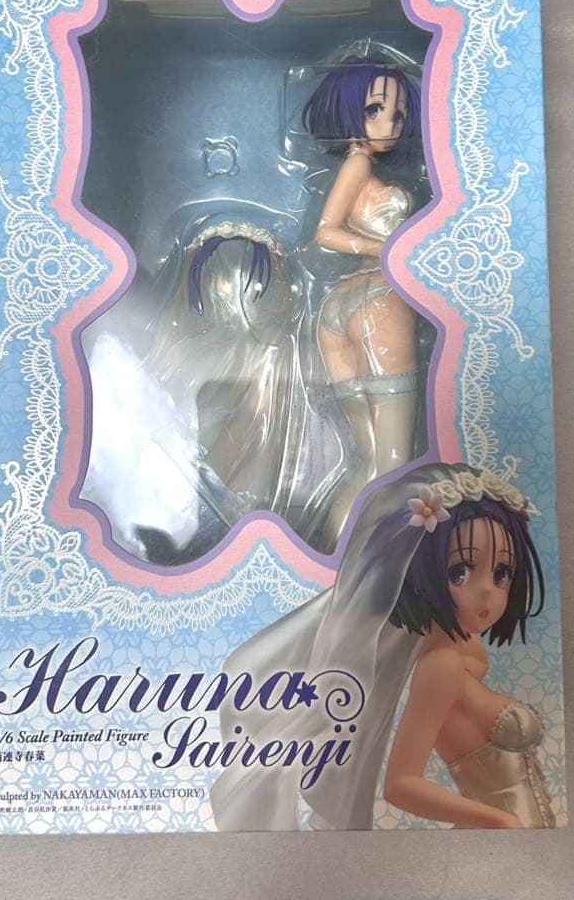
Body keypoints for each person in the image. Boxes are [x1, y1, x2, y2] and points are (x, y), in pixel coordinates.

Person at [210, 462, 555, 831]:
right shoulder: (442, 667)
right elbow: (401, 786)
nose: (487, 591)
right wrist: (500, 820)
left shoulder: (466, 652)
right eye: (460, 572)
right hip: (503, 834)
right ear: (417, 572)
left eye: (501, 573)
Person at [302, 49, 426, 549]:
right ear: (347, 107)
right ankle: (374, 566)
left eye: (398, 115)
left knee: (368, 460)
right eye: (376, 109)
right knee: (392, 463)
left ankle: (333, 560)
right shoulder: (358, 160)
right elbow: (325, 232)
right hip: (378, 302)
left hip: (341, 304)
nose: (389, 124)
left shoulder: (360, 165)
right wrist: (390, 250)